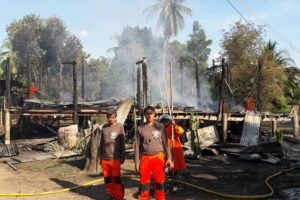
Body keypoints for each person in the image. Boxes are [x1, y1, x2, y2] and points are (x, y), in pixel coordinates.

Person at [135, 106, 173, 200]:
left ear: (154, 114)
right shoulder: (140, 128)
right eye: (147, 113)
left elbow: (165, 143)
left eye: (151, 113)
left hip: (158, 157)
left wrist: (169, 157)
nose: (149, 115)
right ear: (144, 115)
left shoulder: (160, 126)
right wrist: (136, 161)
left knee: (159, 182)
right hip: (145, 158)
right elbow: (136, 146)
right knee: (144, 183)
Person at [99, 110, 125, 200]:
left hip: (115, 158)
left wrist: (122, 156)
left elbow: (122, 143)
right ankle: (112, 195)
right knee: (107, 179)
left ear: (115, 117)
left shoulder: (119, 127)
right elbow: (101, 143)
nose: (110, 119)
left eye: (112, 117)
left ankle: (119, 196)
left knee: (117, 179)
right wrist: (100, 157)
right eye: (109, 117)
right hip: (104, 158)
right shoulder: (104, 127)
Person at [159, 114, 186, 192]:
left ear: (169, 121)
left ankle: (174, 185)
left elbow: (181, 132)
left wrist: (175, 125)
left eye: (166, 121)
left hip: (173, 151)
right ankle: (162, 185)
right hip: (163, 152)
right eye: (163, 121)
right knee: (163, 169)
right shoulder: (159, 129)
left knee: (174, 170)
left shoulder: (173, 128)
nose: (165, 123)